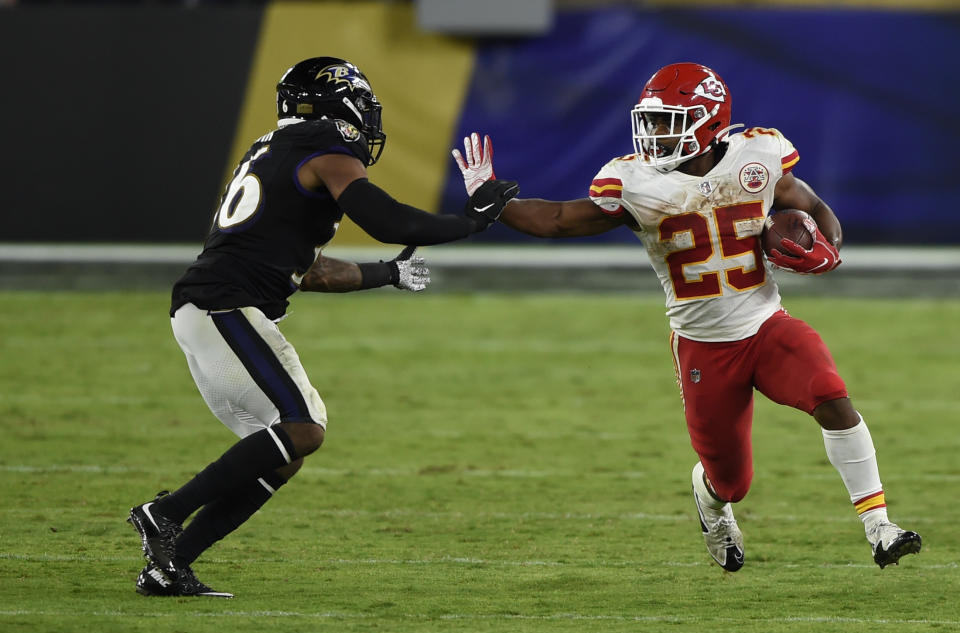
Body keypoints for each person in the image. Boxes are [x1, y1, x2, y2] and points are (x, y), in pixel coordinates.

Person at [452, 62, 921, 572]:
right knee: (731, 481)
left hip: (766, 325)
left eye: (668, 120)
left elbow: (812, 207)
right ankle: (711, 500)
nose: (655, 133)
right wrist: (492, 199)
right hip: (703, 345)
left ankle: (879, 528)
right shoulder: (634, 182)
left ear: (711, 120)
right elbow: (560, 220)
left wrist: (830, 247)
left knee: (832, 397)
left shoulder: (756, 156)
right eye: (651, 121)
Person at [127, 56, 518, 597]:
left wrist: (390, 274)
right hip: (224, 305)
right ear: (339, 103)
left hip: (217, 306)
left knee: (285, 451)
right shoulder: (323, 145)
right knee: (301, 427)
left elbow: (302, 269)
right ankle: (163, 512)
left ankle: (169, 566)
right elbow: (388, 221)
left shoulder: (275, 151)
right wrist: (472, 220)